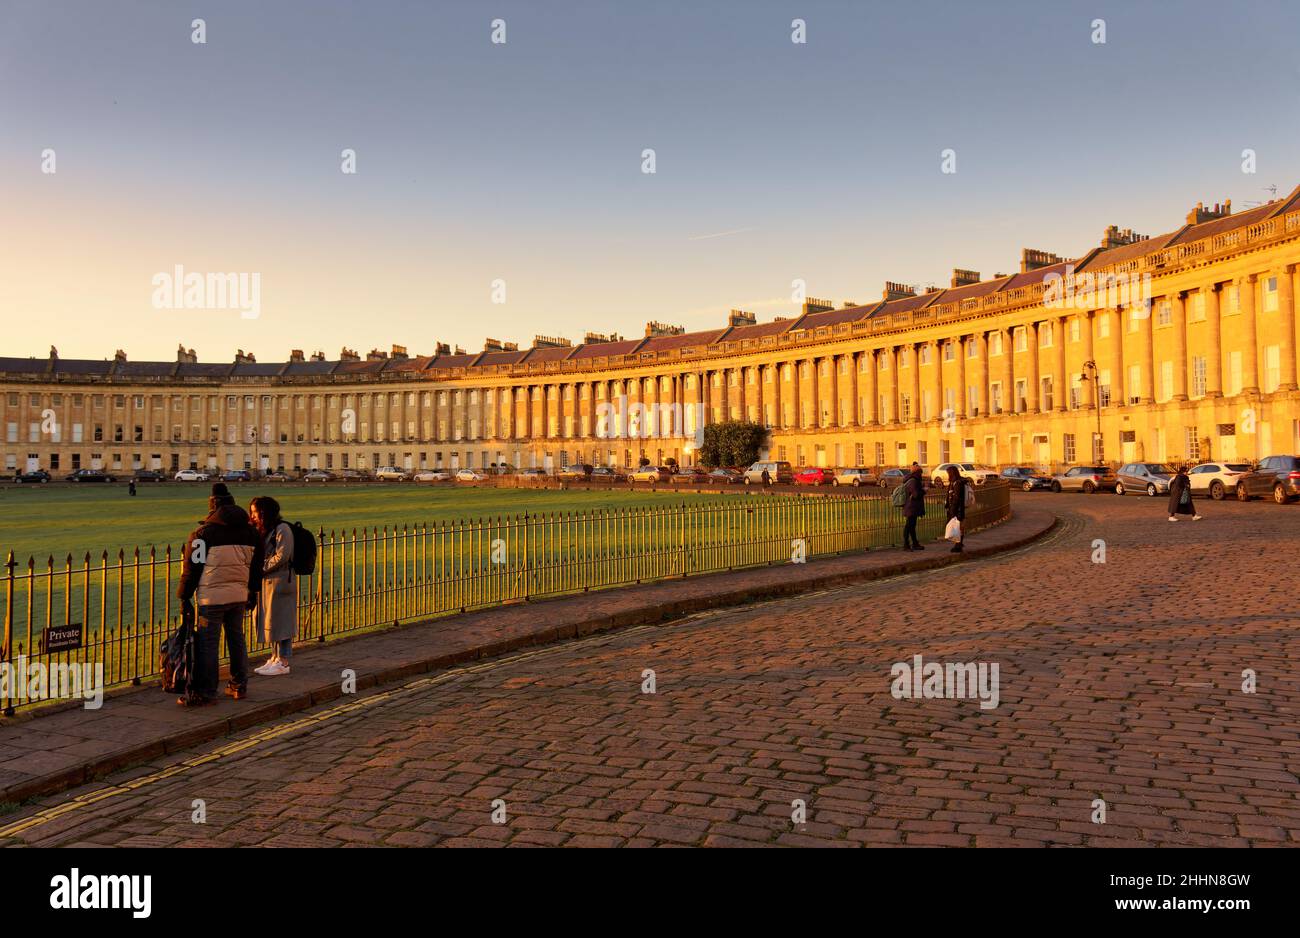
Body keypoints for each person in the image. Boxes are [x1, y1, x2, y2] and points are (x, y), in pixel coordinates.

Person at [177, 483, 263, 706]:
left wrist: (184, 596)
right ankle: (238, 685)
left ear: (213, 506)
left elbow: (192, 569)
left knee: (208, 643)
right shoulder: (252, 533)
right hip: (239, 595)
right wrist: (253, 591)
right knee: (237, 639)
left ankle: (207, 691)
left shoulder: (203, 533)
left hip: (211, 597)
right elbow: (256, 567)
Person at [250, 496, 297, 676]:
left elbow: (282, 556)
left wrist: (261, 568)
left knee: (282, 622)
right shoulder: (264, 530)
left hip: (281, 582)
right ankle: (275, 657)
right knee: (270, 622)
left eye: (256, 512)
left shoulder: (282, 529)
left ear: (265, 513)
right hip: (267, 583)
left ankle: (283, 662)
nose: (253, 516)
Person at [901, 462, 926, 550]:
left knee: (911, 526)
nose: (921, 475)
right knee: (909, 526)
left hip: (911, 506)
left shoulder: (912, 480)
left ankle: (915, 543)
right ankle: (906, 544)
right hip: (911, 506)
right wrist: (923, 491)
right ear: (917, 473)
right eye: (920, 472)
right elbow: (915, 494)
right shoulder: (913, 481)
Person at [945, 464, 967, 553]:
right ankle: (958, 544)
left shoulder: (957, 483)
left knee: (958, 527)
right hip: (955, 508)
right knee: (957, 527)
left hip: (958, 509)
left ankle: (958, 545)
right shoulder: (953, 482)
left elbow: (957, 498)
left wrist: (952, 510)